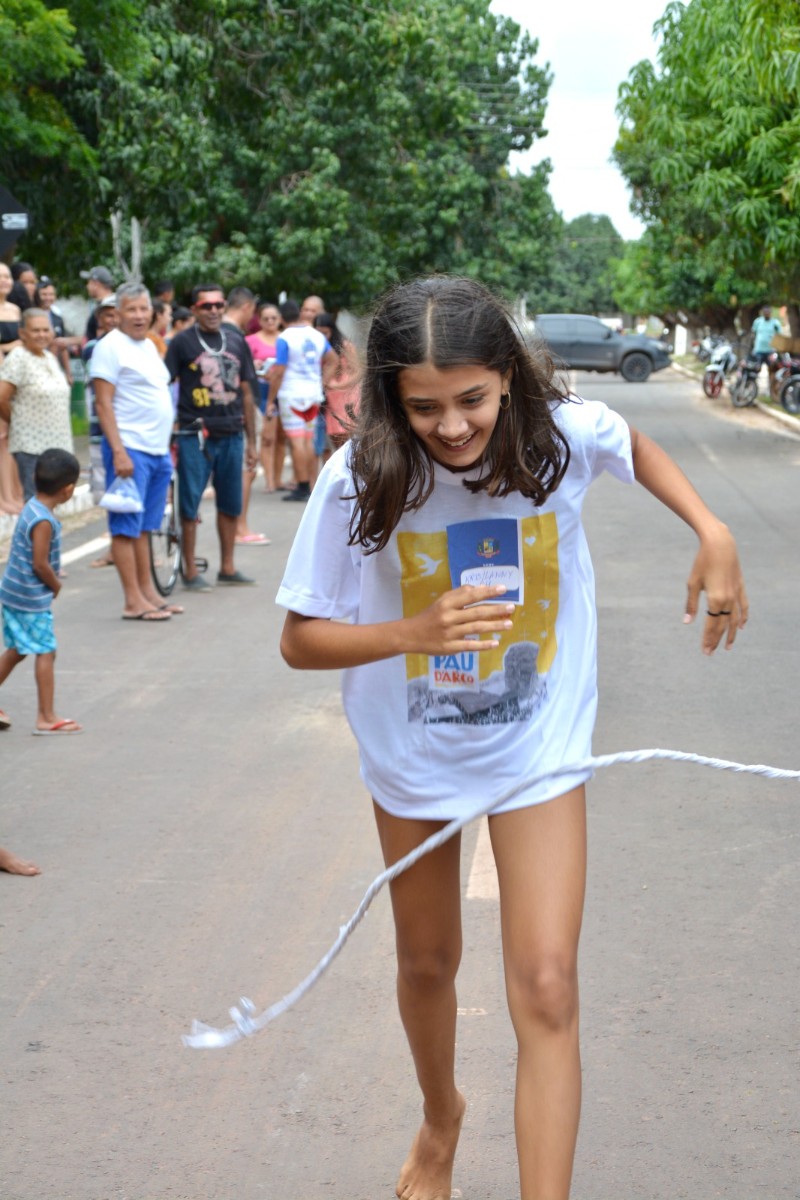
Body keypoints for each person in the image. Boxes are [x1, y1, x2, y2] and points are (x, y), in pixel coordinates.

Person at [276, 276, 748, 1200]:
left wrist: (713, 526)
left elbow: (636, 445)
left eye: (472, 401)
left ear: (507, 380)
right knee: (427, 962)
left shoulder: (557, 433)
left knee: (545, 985)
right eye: (423, 407)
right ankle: (441, 1113)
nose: (451, 427)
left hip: (539, 743)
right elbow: (299, 640)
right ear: (388, 399)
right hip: (413, 753)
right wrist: (413, 632)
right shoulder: (359, 476)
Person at [90, 283, 180, 621]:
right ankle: (132, 600)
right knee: (125, 526)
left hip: (156, 451)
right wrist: (119, 451)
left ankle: (149, 595)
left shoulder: (149, 347)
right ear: (118, 314)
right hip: (129, 448)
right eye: (132, 309)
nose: (140, 316)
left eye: (144, 309)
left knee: (144, 527)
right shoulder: (109, 347)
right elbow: (103, 403)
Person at [165, 283, 258, 590]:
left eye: (219, 305)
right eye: (207, 306)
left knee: (230, 504)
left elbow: (246, 390)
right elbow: (165, 387)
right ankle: (190, 570)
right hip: (195, 435)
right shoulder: (180, 343)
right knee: (189, 505)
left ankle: (227, 567)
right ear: (194, 310)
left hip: (232, 433)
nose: (214, 311)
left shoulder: (235, 339)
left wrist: (252, 441)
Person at [0, 447, 82, 734]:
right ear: (69, 489)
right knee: (46, 651)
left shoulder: (32, 505)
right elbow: (40, 563)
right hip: (29, 599)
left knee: (18, 649)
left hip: (12, 593)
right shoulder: (44, 520)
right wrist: (56, 586)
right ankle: (46, 717)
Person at [0, 309, 73, 501]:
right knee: (37, 504)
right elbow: (1, 398)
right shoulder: (18, 357)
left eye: (45, 330)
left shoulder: (49, 357)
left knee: (54, 505)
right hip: (31, 447)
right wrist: (17, 423)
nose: (42, 335)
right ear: (22, 333)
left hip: (57, 445)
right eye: (35, 330)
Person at [267, 299, 336, 502]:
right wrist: (321, 382)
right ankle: (306, 485)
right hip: (313, 395)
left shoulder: (284, 338)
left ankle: (303, 486)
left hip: (292, 394)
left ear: (281, 318)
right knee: (306, 439)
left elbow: (279, 371)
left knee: (296, 441)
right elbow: (333, 360)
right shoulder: (315, 335)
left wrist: (271, 399)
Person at [221, 288, 268, 545]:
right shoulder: (236, 337)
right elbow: (244, 386)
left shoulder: (219, 334)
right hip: (241, 409)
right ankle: (241, 527)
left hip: (226, 409)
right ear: (248, 306)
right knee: (247, 469)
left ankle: (237, 527)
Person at [314, 311, 361, 459]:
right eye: (318, 333)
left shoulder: (345, 346)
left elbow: (359, 372)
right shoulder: (315, 348)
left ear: (332, 330)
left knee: (349, 438)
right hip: (329, 398)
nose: (322, 337)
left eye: (325, 333)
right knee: (334, 439)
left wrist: (339, 386)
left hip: (347, 396)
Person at [246, 302, 282, 492]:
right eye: (266, 318)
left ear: (280, 320)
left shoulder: (285, 339)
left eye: (273, 318)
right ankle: (269, 481)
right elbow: (244, 366)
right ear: (259, 320)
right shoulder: (251, 340)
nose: (270, 322)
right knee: (268, 437)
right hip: (261, 390)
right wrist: (255, 365)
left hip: (283, 391)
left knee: (282, 439)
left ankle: (278, 479)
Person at [0, 262, 23, 514]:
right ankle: (3, 497)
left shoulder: (16, 309)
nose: (5, 280)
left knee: (15, 436)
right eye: (0, 277)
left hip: (16, 378)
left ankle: (15, 493)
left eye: (7, 276)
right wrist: (10, 347)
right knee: (2, 437)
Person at [81, 266, 116, 341]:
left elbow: (101, 336)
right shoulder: (102, 304)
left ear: (96, 284)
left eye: (89, 283)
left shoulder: (108, 308)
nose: (87, 286)